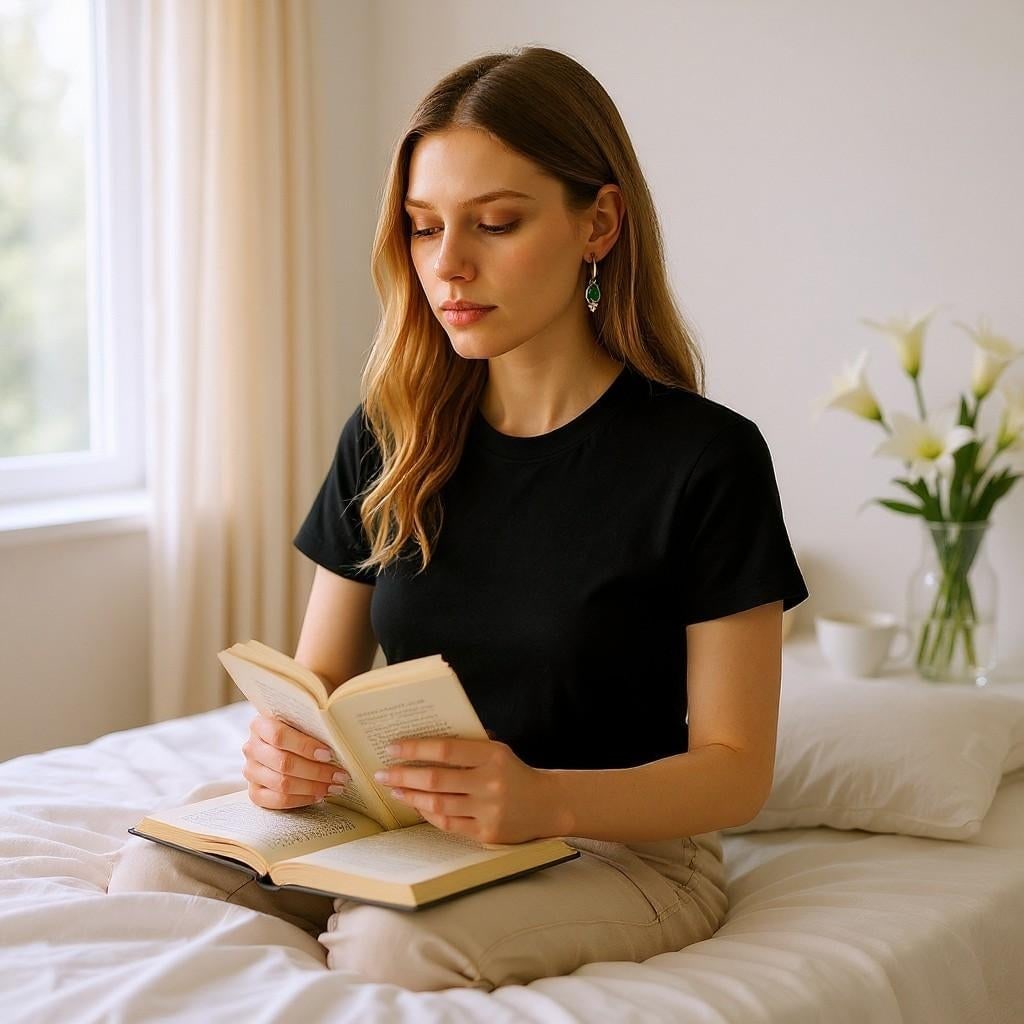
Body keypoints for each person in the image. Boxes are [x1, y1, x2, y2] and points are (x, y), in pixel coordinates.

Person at [109, 44, 809, 992]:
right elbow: (318, 684)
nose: (450, 266)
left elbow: (734, 771)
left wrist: (539, 797)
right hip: (406, 832)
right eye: (424, 227)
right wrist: (287, 756)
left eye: (496, 223)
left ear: (597, 223)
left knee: (390, 945)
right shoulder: (390, 434)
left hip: (616, 848)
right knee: (158, 872)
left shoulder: (706, 458)